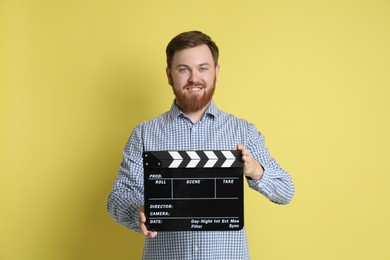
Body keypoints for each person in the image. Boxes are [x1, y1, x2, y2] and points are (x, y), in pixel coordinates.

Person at [107, 31, 295, 259]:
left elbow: (286, 190)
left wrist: (255, 170)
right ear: (169, 75)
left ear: (216, 72)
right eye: (183, 69)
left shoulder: (241, 131)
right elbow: (118, 197)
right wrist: (138, 212)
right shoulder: (145, 134)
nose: (194, 78)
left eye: (203, 68)